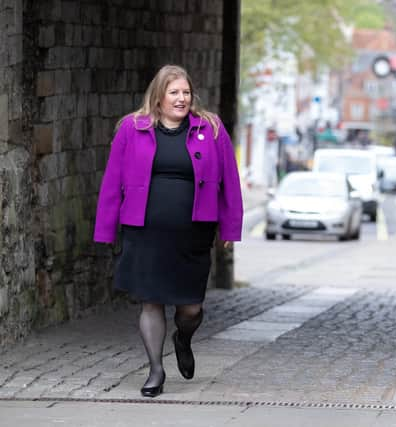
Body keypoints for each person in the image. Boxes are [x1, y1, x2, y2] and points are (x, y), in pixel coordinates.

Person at [93, 64, 243, 398]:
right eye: (174, 92)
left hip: (193, 234)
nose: (181, 99)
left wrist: (230, 227)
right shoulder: (132, 129)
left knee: (191, 307)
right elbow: (112, 182)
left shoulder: (212, 128)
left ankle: (183, 337)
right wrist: (105, 230)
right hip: (145, 231)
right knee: (151, 302)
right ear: (158, 96)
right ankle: (155, 370)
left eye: (186, 92)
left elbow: (230, 183)